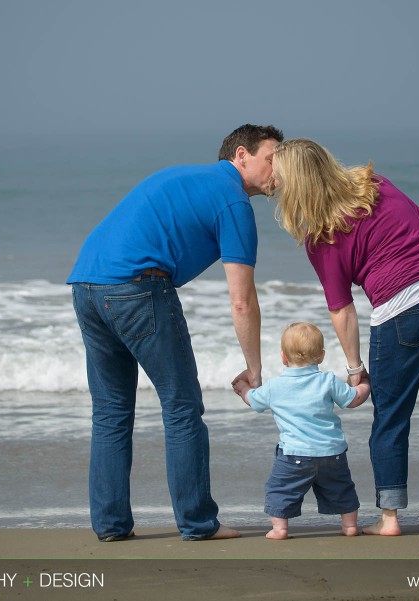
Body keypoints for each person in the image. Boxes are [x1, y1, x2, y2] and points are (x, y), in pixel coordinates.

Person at [269, 138, 419, 536]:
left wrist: (354, 369)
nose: (275, 184)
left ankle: (390, 517)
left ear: (297, 183)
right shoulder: (375, 183)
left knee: (391, 419)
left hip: (402, 310)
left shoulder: (322, 235)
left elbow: (341, 309)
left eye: (279, 177)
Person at [67, 124, 284, 541]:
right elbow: (242, 300)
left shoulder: (182, 175)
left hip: (86, 287)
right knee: (182, 408)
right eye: (272, 158)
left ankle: (111, 526)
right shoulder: (234, 203)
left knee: (111, 413)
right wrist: (254, 370)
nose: (281, 171)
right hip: (136, 288)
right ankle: (198, 523)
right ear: (241, 154)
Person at [233, 322, 370, 540]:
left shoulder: (275, 386)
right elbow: (353, 399)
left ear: (283, 357)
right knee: (341, 488)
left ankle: (280, 529)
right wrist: (364, 385)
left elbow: (254, 401)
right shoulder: (328, 380)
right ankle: (350, 525)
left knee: (280, 489)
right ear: (321, 356)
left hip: (294, 454)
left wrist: (243, 389)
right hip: (332, 453)